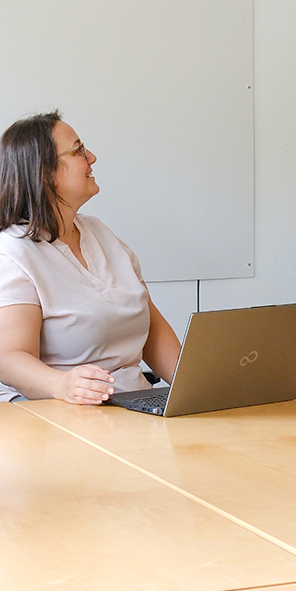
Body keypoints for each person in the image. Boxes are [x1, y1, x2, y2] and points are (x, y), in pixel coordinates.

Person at [0, 111, 181, 404]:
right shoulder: (11, 252)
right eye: (78, 151)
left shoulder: (99, 231)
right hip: (61, 416)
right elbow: (9, 358)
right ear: (44, 172)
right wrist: (62, 384)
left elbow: (152, 330)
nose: (92, 157)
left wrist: (197, 387)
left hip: (132, 405)